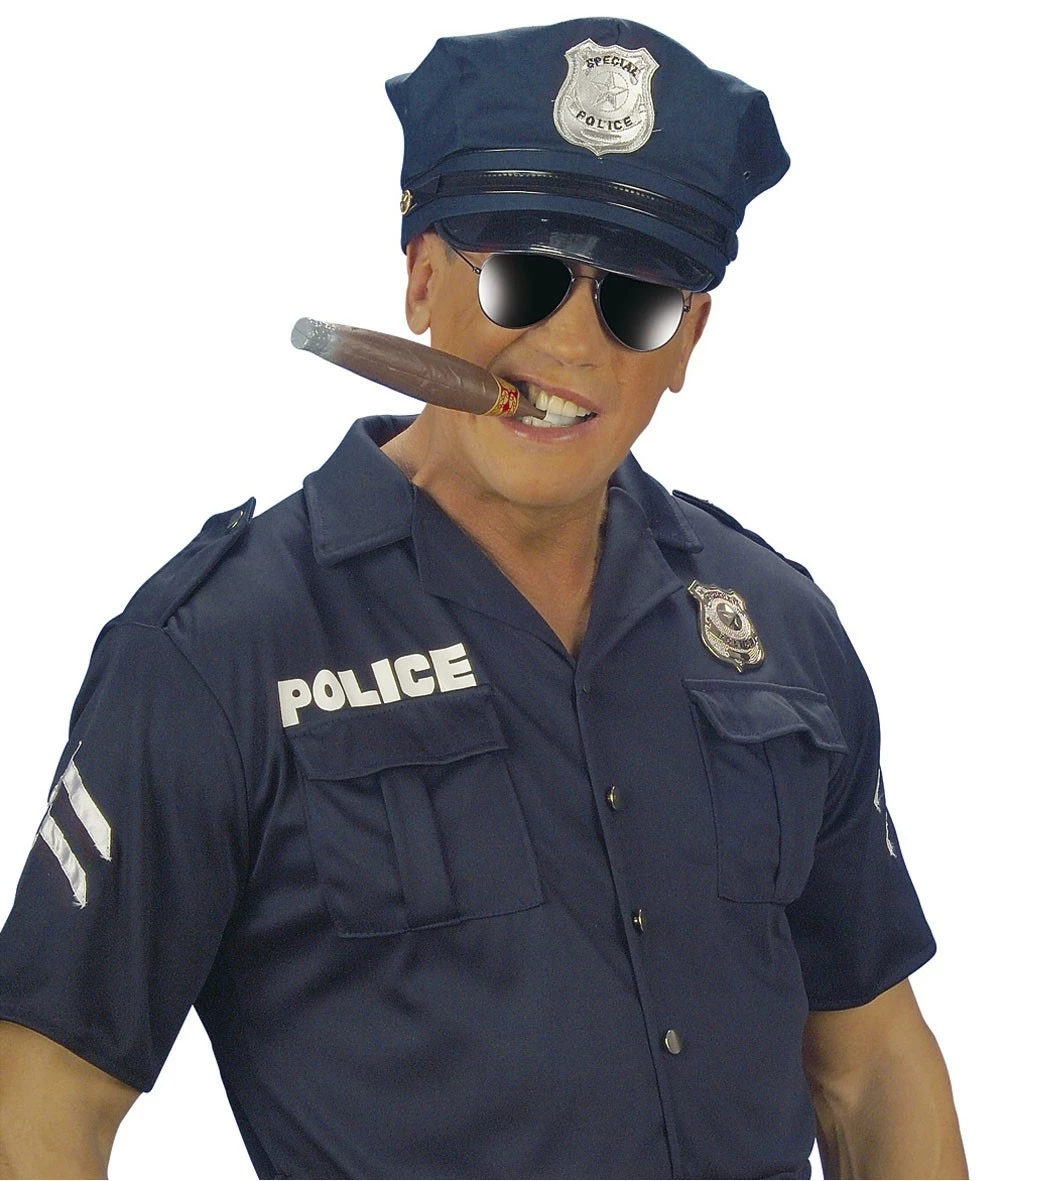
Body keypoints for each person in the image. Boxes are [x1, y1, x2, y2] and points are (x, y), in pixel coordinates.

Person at [0, 16, 966, 1180]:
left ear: (686, 341)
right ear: (421, 278)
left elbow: (870, 1063)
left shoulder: (778, 628)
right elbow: (45, 1099)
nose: (572, 345)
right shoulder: (219, 647)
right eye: (523, 277)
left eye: (636, 303)